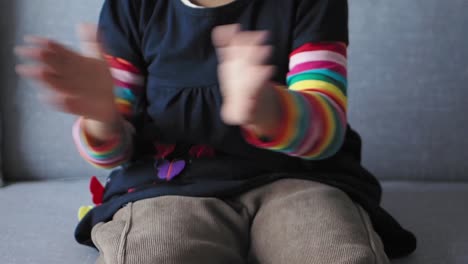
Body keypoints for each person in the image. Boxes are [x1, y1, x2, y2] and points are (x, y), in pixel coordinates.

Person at [15, 0, 416, 263]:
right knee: (152, 251)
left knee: (332, 250)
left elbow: (327, 129)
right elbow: (115, 152)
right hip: (167, 186)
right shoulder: (132, 8)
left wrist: (268, 108)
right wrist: (101, 116)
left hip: (300, 179)